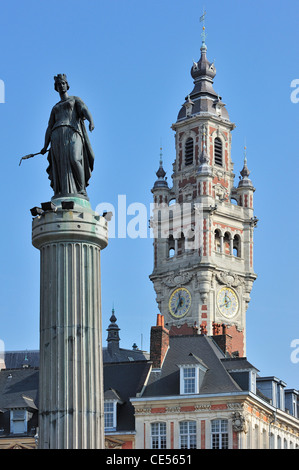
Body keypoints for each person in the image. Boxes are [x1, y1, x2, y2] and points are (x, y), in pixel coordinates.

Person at [41, 74, 95, 197]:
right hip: (57, 135)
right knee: (60, 164)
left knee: (75, 158)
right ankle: (61, 191)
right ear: (56, 87)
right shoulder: (55, 107)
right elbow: (49, 127)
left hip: (73, 132)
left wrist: (91, 121)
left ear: (67, 85)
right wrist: (45, 146)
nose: (61, 86)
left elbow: (84, 109)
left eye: (63, 83)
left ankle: (81, 189)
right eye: (58, 84)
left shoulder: (75, 99)